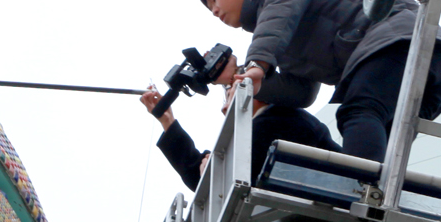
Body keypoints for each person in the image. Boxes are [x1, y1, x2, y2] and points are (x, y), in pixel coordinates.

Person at [197, 0, 441, 161]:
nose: (214, 11)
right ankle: (374, 201)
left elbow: (283, 4)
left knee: (358, 112)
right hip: (426, 66)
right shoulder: (281, 39)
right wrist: (239, 77)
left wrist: (256, 65)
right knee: (387, 145)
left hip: (399, 36)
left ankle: (356, 193)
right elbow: (301, 93)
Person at [140, 55, 340, 191]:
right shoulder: (261, 131)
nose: (224, 108)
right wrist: (168, 122)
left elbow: (220, 178)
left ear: (255, 90)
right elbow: (202, 181)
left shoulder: (284, 119)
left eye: (231, 95)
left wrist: (217, 168)